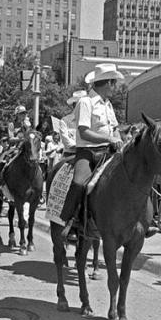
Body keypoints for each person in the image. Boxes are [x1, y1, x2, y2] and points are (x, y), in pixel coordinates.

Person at [58, 63, 123, 226]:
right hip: (87, 153)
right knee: (79, 183)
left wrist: (118, 140)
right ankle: (71, 220)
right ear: (108, 83)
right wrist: (108, 139)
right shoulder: (85, 102)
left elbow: (114, 129)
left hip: (109, 152)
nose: (115, 87)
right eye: (114, 83)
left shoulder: (108, 104)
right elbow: (83, 132)